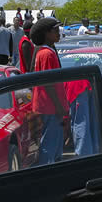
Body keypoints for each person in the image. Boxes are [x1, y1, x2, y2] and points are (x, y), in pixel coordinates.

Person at [29, 17, 68, 165]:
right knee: (49, 146)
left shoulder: (47, 51)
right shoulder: (46, 54)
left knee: (56, 147)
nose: (59, 33)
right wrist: (59, 106)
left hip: (50, 107)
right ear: (46, 33)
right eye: (55, 30)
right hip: (49, 107)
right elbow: (49, 83)